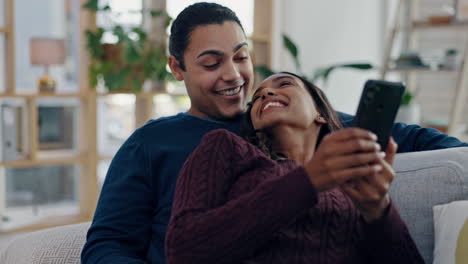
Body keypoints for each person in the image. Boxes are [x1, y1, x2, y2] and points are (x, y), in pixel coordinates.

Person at [81, 2, 467, 264]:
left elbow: (424, 142)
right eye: (212, 62)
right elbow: (106, 246)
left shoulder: (293, 123)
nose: (234, 75)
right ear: (177, 68)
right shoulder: (153, 144)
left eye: (241, 56)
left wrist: (377, 203)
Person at [165, 72, 424, 263]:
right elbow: (183, 250)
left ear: (320, 113)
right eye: (256, 97)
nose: (265, 94)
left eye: (285, 84)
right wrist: (308, 180)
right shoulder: (225, 147)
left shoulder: (354, 182)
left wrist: (378, 209)